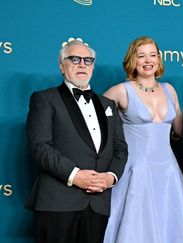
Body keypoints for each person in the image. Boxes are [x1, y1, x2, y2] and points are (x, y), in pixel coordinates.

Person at [26, 39, 128, 243]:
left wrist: (110, 177)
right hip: (57, 203)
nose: (82, 64)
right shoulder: (44, 99)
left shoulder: (108, 104)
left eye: (88, 60)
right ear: (62, 66)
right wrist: (75, 175)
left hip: (98, 204)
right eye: (75, 59)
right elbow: (41, 147)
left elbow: (120, 149)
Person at [103, 36, 183, 243]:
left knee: (168, 225)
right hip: (135, 170)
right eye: (141, 55)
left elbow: (180, 130)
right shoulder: (120, 91)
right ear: (132, 60)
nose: (148, 60)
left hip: (168, 171)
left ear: (159, 59)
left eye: (153, 55)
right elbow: (96, 126)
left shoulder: (169, 89)